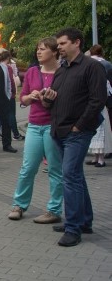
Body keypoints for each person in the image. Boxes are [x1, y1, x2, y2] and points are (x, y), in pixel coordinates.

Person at [41, 28, 107, 247]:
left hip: (77, 132)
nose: (58, 47)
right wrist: (48, 99)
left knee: (70, 176)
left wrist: (79, 126)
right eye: (58, 44)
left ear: (76, 43)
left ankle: (73, 228)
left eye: (62, 43)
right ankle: (83, 221)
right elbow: (53, 100)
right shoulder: (62, 69)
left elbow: (97, 100)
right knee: (75, 176)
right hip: (59, 130)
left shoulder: (92, 67)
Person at [8, 37, 63, 224]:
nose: (39, 52)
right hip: (34, 124)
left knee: (55, 169)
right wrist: (30, 97)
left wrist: (53, 97)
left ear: (54, 52)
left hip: (53, 126)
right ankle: (19, 204)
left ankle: (54, 209)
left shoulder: (63, 73)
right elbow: (22, 98)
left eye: (43, 49)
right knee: (28, 168)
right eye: (38, 49)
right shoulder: (32, 72)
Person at [0, 48, 18, 153]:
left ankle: (7, 145)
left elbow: (9, 81)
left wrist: (9, 94)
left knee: (6, 123)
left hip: (4, 98)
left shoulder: (4, 67)